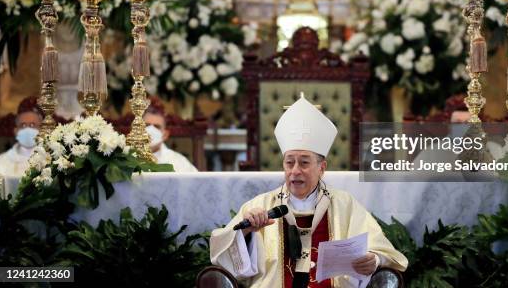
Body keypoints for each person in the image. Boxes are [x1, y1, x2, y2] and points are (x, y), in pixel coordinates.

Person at [210, 95, 407, 287]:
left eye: (304, 163)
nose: (295, 171)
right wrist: (246, 231)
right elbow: (221, 256)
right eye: (289, 163)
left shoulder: (344, 204)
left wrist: (374, 259)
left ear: (322, 168)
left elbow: (380, 249)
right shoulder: (260, 206)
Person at [143, 97, 198, 172]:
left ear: (165, 134)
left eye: (157, 127)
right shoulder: (126, 158)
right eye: (147, 125)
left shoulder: (179, 162)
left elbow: (196, 182)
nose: (151, 130)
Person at [0, 96, 43, 177]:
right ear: (16, 131)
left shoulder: (48, 160)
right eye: (23, 125)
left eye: (32, 125)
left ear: (41, 129)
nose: (28, 129)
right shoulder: (1, 162)